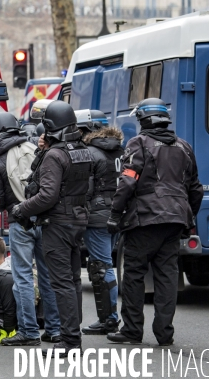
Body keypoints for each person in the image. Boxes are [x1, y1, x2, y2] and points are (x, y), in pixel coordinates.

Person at [106, 98, 203, 346]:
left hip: (144, 220)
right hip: (175, 220)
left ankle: (132, 330)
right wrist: (187, 217)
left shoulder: (138, 143)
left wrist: (115, 214)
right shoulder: (184, 146)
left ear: (144, 120)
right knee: (167, 276)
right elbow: (195, 188)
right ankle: (165, 334)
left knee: (134, 274)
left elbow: (127, 181)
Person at [12, 99, 92, 355]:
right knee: (73, 281)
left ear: (50, 126)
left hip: (57, 224)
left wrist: (21, 209)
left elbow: (47, 196)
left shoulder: (55, 155)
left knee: (61, 283)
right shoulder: (82, 150)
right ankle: (74, 335)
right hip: (78, 220)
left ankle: (69, 341)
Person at [0, 112, 61, 346]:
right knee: (48, 276)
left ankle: (28, 331)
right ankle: (54, 329)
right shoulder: (36, 149)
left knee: (23, 279)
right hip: (46, 219)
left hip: (20, 223)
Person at [76, 110, 124, 335]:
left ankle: (110, 319)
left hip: (96, 217)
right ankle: (108, 318)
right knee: (105, 265)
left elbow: (85, 190)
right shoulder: (121, 151)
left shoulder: (89, 153)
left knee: (102, 267)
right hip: (117, 214)